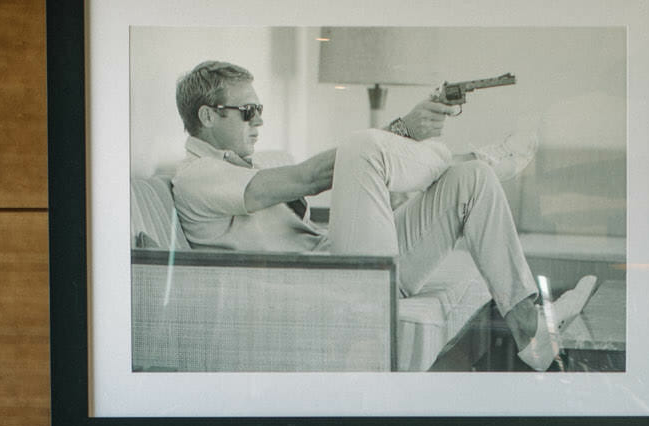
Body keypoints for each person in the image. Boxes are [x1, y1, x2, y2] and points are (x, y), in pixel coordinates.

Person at [167, 60, 596, 371]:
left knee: (473, 180)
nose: (259, 120)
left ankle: (531, 329)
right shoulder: (199, 176)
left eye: (260, 109)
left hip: (342, 267)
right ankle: (472, 154)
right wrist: (403, 131)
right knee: (362, 145)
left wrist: (391, 160)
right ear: (207, 116)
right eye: (248, 111)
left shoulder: (240, 168)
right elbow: (310, 177)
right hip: (330, 290)